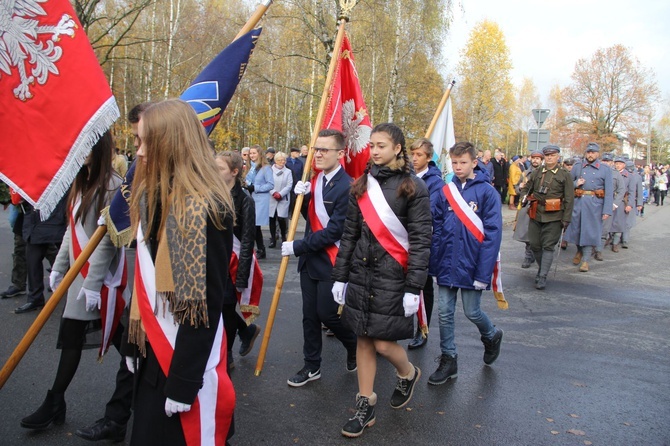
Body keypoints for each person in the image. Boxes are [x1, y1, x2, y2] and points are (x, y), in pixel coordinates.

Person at [125, 99, 235, 445]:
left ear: (171, 144)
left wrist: (185, 382)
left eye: (146, 143)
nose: (139, 153)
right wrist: (133, 343)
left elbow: (202, 305)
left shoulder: (201, 207)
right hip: (153, 350)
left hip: (182, 361)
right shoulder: (152, 196)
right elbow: (145, 282)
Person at [19, 131, 132, 442]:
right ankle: (56, 401)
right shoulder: (80, 181)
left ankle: (135, 395)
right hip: (78, 277)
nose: (79, 155)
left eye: (84, 150)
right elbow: (73, 227)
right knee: (72, 338)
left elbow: (108, 239)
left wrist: (94, 284)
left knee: (127, 345)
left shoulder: (110, 184)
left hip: (100, 281)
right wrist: (58, 268)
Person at [331, 123, 431, 437]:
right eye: (372, 145)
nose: (374, 151)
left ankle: (408, 372)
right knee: (362, 337)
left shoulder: (413, 188)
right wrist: (340, 277)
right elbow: (350, 235)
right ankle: (366, 402)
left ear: (398, 148)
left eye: (382, 145)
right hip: (361, 275)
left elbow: (420, 241)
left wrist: (414, 286)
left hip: (394, 278)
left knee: (384, 344)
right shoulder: (362, 184)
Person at [281, 129, 358, 388]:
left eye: (325, 149)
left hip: (332, 260)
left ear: (340, 153)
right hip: (310, 262)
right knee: (308, 316)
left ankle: (354, 345)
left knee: (328, 314)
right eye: (317, 149)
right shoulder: (314, 181)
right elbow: (307, 218)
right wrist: (300, 197)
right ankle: (312, 366)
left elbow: (334, 231)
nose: (319, 154)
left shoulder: (348, 186)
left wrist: (298, 246)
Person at [428, 141, 503, 387]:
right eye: (454, 163)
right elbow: (437, 229)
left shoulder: (487, 192)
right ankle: (449, 359)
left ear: (474, 162)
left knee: (472, 312)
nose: (458, 167)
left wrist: (483, 272)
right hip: (447, 262)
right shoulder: (445, 191)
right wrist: (435, 264)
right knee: (444, 313)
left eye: (463, 162)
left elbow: (492, 235)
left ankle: (491, 335)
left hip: (472, 264)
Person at [215, 151, 261, 370]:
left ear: (234, 172)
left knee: (225, 308)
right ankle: (246, 330)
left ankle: (228, 357)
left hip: (232, 265)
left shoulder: (245, 200)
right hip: (214, 262)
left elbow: (246, 241)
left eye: (220, 169)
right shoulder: (211, 194)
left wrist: (241, 275)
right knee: (218, 308)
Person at [407, 137, 445, 350]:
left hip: (423, 240)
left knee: (423, 286)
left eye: (419, 155)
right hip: (402, 238)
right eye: (412, 154)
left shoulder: (436, 183)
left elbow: (431, 212)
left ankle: (422, 328)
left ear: (429, 158)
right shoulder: (406, 176)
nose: (414, 158)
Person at [520, 145, 574, 290]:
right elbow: (527, 187)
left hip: (555, 216)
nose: (550, 158)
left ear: (558, 156)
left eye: (553, 155)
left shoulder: (564, 174)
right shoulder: (537, 172)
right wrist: (523, 196)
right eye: (547, 155)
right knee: (535, 245)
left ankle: (542, 276)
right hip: (536, 213)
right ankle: (541, 268)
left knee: (548, 246)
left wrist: (566, 218)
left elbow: (569, 198)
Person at [15, 189, 68, 313]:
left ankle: (78, 295)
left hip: (56, 216)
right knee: (32, 261)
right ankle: (35, 298)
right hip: (36, 219)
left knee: (71, 258)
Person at [564, 143, 613, 272]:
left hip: (595, 204)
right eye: (589, 152)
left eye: (593, 153)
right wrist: (576, 183)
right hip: (579, 202)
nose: (590, 155)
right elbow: (567, 183)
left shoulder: (605, 169)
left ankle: (585, 260)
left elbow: (609, 191)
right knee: (576, 230)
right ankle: (579, 251)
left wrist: (607, 210)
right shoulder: (578, 166)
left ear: (598, 154)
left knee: (590, 232)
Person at [245, 144, 274, 259]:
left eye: (254, 153)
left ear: (259, 154)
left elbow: (271, 184)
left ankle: (258, 249)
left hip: (259, 200)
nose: (252, 155)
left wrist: (255, 188)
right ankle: (260, 249)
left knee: (255, 226)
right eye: (250, 153)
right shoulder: (249, 167)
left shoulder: (265, 168)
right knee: (252, 225)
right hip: (249, 198)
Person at [599, 154, 625, 256]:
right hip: (595, 202)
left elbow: (621, 189)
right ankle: (589, 248)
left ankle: (598, 250)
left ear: (611, 163)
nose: (606, 163)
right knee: (592, 227)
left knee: (604, 229)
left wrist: (615, 204)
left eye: (608, 161)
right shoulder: (595, 171)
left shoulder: (616, 174)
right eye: (604, 161)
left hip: (608, 203)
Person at [268, 151, 293, 248]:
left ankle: (283, 237)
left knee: (282, 219)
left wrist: (281, 194)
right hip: (271, 198)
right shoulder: (269, 170)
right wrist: (273, 192)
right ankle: (273, 239)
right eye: (280, 160)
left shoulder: (288, 171)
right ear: (275, 161)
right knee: (272, 219)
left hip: (283, 198)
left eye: (284, 160)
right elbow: (267, 182)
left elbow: (289, 185)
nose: (282, 162)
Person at [621, 160, 643, 248]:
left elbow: (639, 191)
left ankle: (625, 239)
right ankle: (617, 237)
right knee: (619, 219)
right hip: (621, 199)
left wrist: (639, 203)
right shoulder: (622, 174)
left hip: (631, 200)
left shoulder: (637, 177)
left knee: (628, 221)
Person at [285, 147, 304, 213]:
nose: (298, 154)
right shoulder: (286, 161)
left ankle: (292, 212)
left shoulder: (300, 163)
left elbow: (301, 173)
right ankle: (287, 211)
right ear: (292, 153)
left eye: (298, 153)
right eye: (296, 153)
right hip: (287, 182)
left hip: (296, 182)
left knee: (294, 198)